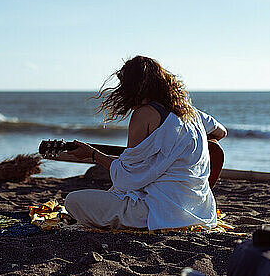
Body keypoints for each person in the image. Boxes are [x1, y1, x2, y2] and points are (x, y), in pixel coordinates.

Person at [64, 56, 227, 230]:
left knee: (73, 201)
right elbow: (221, 132)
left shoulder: (144, 114)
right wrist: (200, 143)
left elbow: (127, 177)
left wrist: (93, 155)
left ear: (135, 86)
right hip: (199, 212)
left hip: (159, 213)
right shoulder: (191, 113)